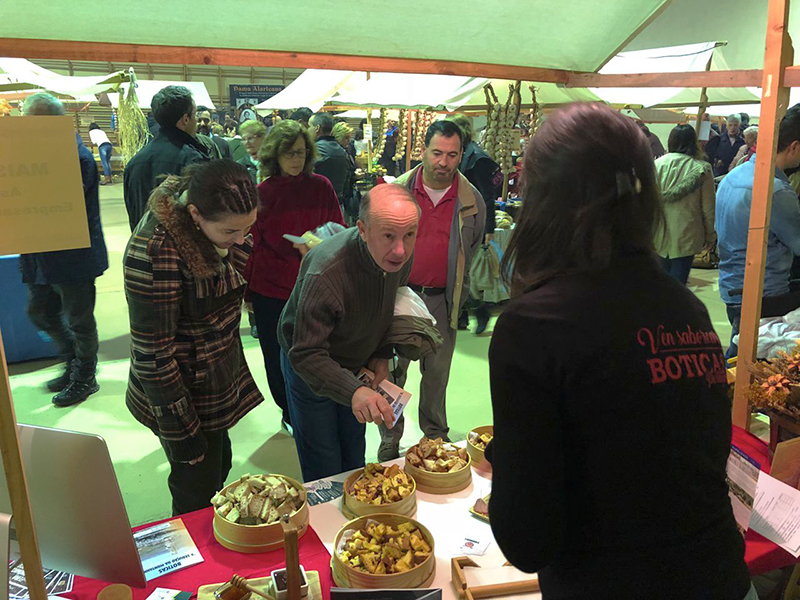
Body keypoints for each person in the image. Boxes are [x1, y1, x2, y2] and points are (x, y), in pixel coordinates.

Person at [487, 102, 754, 600]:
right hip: (721, 579)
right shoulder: (690, 311)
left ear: (541, 197)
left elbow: (526, 541)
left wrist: (507, 452)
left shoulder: (534, 326)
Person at [124, 159, 262, 516]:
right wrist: (184, 436)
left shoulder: (215, 225)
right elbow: (153, 356)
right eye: (231, 232)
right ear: (196, 214)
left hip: (213, 376)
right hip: (179, 392)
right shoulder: (156, 250)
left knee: (219, 467)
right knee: (196, 490)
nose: (241, 239)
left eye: (248, 228)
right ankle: (195, 565)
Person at [278, 184, 420, 482]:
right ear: (363, 229)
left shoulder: (396, 257)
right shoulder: (326, 271)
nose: (401, 250)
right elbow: (305, 352)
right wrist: (354, 390)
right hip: (311, 361)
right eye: (388, 235)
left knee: (354, 451)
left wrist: (381, 352)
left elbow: (387, 306)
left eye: (410, 234)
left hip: (357, 361)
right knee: (324, 463)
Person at [378, 120, 486, 461]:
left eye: (452, 155)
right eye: (437, 152)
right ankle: (390, 438)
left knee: (437, 374)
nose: (443, 162)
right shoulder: (396, 192)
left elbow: (474, 245)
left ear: (461, 156)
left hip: (442, 301)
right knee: (393, 372)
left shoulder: (472, 202)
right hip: (399, 297)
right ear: (423, 150)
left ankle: (435, 436)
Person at [245, 119, 345, 431]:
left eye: (301, 152)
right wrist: (248, 294)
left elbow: (340, 231)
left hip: (316, 285)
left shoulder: (321, 187)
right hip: (271, 290)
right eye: (289, 153)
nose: (295, 159)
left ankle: (317, 406)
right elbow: (252, 245)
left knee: (319, 350)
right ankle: (288, 411)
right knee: (276, 358)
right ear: (274, 154)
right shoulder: (261, 193)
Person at [20, 93, 109, 407]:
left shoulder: (77, 157)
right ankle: (72, 362)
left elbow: (54, 201)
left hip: (73, 257)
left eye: (32, 123)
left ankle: (85, 375)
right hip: (40, 253)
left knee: (78, 319)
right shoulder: (34, 153)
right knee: (40, 313)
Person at [717, 104, 800, 359]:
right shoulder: (774, 190)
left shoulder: (734, 175)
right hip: (764, 293)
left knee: (739, 352)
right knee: (755, 365)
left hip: (732, 285)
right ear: (794, 147)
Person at [123, 85, 210, 230]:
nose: (197, 121)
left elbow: (134, 215)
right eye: (195, 115)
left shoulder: (134, 162)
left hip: (143, 247)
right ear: (186, 119)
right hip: (181, 250)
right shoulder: (193, 160)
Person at [446, 114, 501, 334]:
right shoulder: (464, 155)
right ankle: (461, 316)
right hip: (459, 218)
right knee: (456, 270)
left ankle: (479, 309)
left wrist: (488, 229)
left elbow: (486, 197)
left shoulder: (477, 159)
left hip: (472, 222)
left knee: (462, 271)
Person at [653, 124, 716, 285]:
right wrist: (710, 235)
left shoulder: (656, 164)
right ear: (693, 142)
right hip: (687, 233)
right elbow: (708, 208)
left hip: (659, 232)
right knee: (679, 285)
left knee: (661, 283)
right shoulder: (702, 169)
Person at [309, 112, 351, 208]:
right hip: (337, 204)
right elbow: (347, 182)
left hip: (317, 205)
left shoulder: (316, 150)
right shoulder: (342, 151)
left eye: (309, 126)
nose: (307, 130)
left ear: (317, 128)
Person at [332, 121, 359, 220]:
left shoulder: (346, 150)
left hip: (344, 196)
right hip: (341, 197)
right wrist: (354, 175)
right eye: (345, 138)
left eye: (349, 138)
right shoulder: (339, 153)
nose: (348, 141)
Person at [237, 119, 268, 184]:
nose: (246, 142)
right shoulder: (239, 166)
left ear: (262, 138)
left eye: (250, 138)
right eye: (243, 139)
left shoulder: (273, 163)